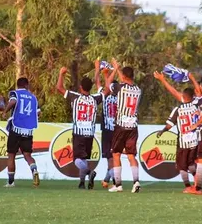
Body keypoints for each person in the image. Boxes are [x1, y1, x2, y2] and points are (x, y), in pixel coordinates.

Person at [154, 71, 202, 194]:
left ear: (183, 97)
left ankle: (188, 186)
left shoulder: (178, 109)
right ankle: (197, 184)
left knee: (181, 166)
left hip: (183, 141)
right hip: (195, 141)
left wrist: (162, 131)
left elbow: (169, 124)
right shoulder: (197, 105)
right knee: (191, 163)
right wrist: (192, 78)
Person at [57, 66, 103, 189]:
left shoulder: (75, 97)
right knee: (84, 158)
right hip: (90, 133)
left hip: (79, 132)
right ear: (90, 88)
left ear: (81, 87)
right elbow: (107, 90)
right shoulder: (95, 99)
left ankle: (89, 173)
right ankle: (82, 183)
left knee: (77, 159)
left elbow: (59, 88)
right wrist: (98, 70)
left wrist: (61, 74)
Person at [104, 59, 142, 193]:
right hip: (133, 126)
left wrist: (115, 69)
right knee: (131, 155)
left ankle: (118, 184)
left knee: (116, 154)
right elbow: (125, 81)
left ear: (124, 77)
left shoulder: (120, 87)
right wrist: (119, 70)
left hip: (121, 125)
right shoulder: (138, 90)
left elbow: (108, 84)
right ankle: (136, 182)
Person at [2, 77, 40, 188]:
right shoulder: (33, 98)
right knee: (27, 154)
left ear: (18, 85)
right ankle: (34, 170)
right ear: (27, 85)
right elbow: (38, 113)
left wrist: (5, 111)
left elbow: (13, 101)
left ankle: (10, 182)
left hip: (16, 128)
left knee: (11, 155)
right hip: (28, 130)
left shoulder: (15, 93)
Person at [95, 61, 118, 188]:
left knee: (110, 158)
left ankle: (116, 181)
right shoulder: (121, 98)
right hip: (117, 130)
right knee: (114, 157)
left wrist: (98, 69)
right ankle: (107, 179)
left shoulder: (104, 97)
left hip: (107, 131)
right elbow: (108, 86)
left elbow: (97, 82)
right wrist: (108, 74)